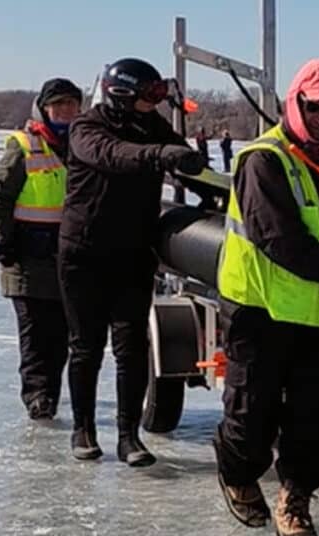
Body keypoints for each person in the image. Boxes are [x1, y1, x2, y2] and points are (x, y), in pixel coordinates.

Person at [213, 58, 319, 535]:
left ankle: (295, 500)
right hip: (259, 310)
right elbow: (279, 241)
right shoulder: (263, 160)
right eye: (316, 110)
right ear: (296, 102)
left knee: (310, 426)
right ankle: (236, 472)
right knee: (252, 421)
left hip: (312, 313)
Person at [60, 58, 208, 466]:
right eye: (150, 96)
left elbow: (178, 158)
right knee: (86, 346)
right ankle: (83, 429)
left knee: (130, 347)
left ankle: (129, 437)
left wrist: (209, 185)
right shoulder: (86, 128)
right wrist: (162, 154)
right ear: (123, 94)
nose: (156, 104)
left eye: (160, 96)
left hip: (133, 252)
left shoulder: (152, 126)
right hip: (83, 254)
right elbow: (114, 155)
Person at [0, 78, 82, 421]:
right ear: (44, 108)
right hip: (27, 259)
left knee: (60, 337)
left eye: (71, 105)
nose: (65, 112)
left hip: (69, 258)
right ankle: (39, 397)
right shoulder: (25, 145)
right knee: (36, 334)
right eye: (58, 105)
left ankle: (49, 392)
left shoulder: (84, 145)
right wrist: (4, 240)